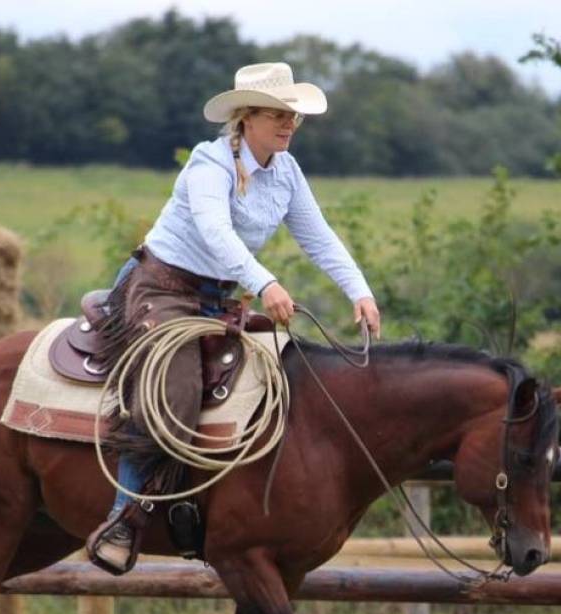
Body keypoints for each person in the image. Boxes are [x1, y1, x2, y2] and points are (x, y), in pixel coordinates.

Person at [86, 61, 383, 575]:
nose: (288, 124)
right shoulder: (210, 164)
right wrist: (264, 283)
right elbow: (216, 233)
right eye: (275, 115)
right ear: (246, 118)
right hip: (160, 288)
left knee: (282, 380)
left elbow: (318, 236)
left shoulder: (286, 172)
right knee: (172, 390)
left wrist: (360, 290)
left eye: (292, 116)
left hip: (217, 300)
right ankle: (124, 515)